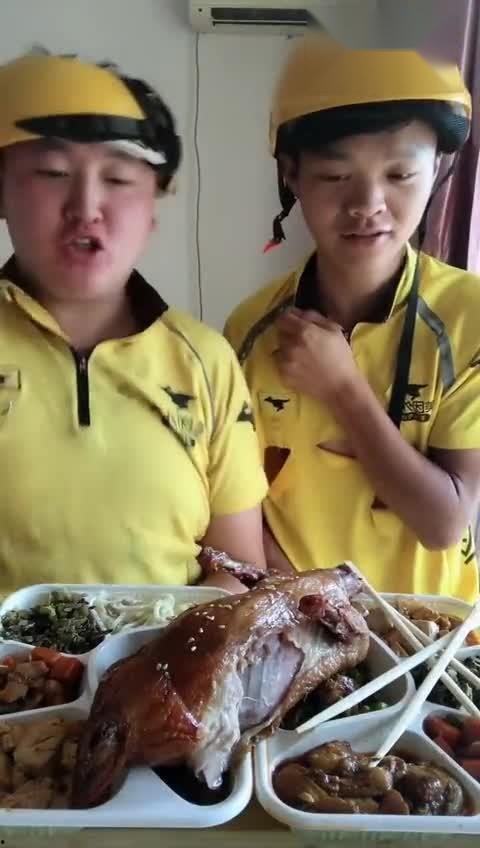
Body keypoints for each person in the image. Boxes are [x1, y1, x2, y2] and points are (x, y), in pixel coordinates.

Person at [0, 51, 268, 594]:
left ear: (152, 210)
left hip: (168, 649)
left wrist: (163, 636)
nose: (86, 207)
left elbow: (240, 568)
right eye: (52, 173)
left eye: (118, 178)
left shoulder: (206, 362)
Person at [225, 35, 480, 602]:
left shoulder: (469, 318)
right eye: (336, 176)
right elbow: (240, 512)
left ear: (436, 170)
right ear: (291, 174)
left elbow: (444, 523)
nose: (367, 203)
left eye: (400, 174)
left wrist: (343, 389)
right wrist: (314, 609)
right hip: (302, 626)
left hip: (435, 635)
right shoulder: (248, 330)